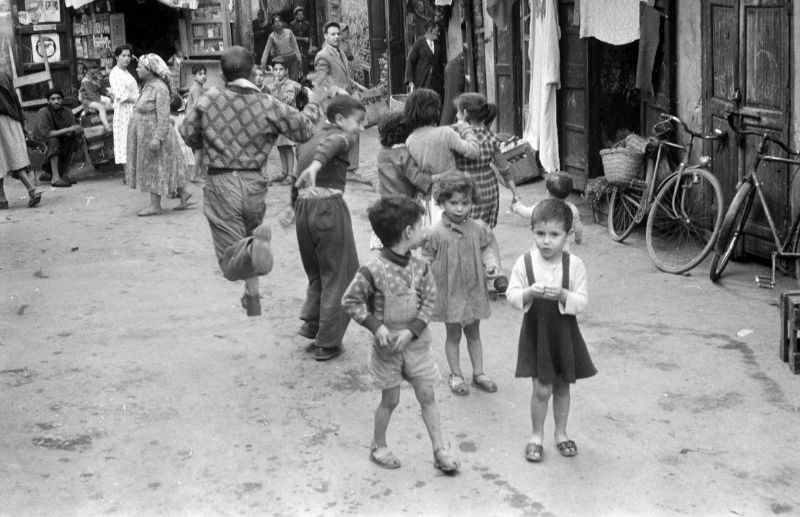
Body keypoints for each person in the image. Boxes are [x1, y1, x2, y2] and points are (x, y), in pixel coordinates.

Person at [179, 45, 326, 317]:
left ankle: (253, 255)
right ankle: (253, 295)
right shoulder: (267, 102)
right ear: (254, 71)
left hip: (222, 182)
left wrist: (207, 142)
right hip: (255, 183)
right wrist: (315, 102)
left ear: (222, 76)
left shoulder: (210, 98)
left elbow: (187, 131)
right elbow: (304, 129)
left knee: (230, 258)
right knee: (249, 238)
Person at [342, 195, 460, 474]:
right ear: (408, 232)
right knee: (390, 400)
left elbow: (430, 300)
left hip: (417, 346)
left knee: (427, 395)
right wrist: (376, 326)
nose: (424, 231)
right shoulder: (372, 270)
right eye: (420, 226)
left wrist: (413, 330)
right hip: (387, 350)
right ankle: (378, 445)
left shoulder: (421, 267)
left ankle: (440, 449)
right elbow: (350, 301)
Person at [506, 198, 597, 462]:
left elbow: (581, 302)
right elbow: (512, 295)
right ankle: (536, 435)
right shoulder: (525, 263)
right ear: (532, 232)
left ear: (567, 236)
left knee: (562, 387)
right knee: (542, 388)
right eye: (540, 234)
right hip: (537, 333)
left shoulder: (575, 265)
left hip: (564, 334)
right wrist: (527, 293)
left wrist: (564, 294)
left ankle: (561, 433)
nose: (546, 241)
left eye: (554, 235)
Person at [293, 95, 366, 361]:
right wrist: (317, 165)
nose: (360, 128)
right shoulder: (341, 137)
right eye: (357, 122)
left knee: (318, 272)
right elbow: (337, 142)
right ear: (339, 119)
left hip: (303, 210)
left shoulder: (311, 136)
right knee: (341, 273)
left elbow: (297, 177)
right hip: (327, 208)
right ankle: (327, 341)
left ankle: (312, 323)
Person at [422, 172, 500, 396]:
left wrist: (491, 264)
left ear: (472, 202)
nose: (459, 208)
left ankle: (479, 373)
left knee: (474, 333)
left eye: (465, 203)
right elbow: (426, 258)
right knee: (453, 334)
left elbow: (486, 249)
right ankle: (456, 374)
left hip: (474, 289)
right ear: (442, 202)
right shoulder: (435, 232)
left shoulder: (478, 229)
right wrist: (422, 281)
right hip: (450, 292)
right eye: (453, 203)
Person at [125, 53, 193, 216]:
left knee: (155, 168)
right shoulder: (147, 86)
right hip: (145, 134)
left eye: (140, 67)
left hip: (155, 135)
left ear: (149, 70)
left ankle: (155, 205)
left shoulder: (159, 88)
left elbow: (163, 116)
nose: (137, 69)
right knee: (162, 166)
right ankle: (184, 194)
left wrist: (157, 138)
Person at [403, 88, 479, 223]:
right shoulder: (445, 133)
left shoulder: (410, 140)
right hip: (452, 194)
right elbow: (473, 151)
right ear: (436, 111)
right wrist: (466, 129)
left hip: (426, 197)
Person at [452, 92, 519, 228]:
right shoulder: (491, 137)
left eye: (458, 112)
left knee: (464, 231)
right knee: (484, 232)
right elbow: (504, 168)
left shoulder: (456, 136)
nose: (457, 115)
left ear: (464, 114)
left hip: (465, 191)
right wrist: (515, 193)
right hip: (489, 192)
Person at [314, 21, 366, 179]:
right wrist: (336, 90)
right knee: (343, 133)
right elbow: (320, 82)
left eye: (338, 34)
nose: (336, 37)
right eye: (332, 34)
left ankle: (351, 169)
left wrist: (355, 87)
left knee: (353, 131)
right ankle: (346, 169)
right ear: (325, 36)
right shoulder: (323, 56)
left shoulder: (341, 52)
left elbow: (346, 75)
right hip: (336, 103)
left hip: (347, 98)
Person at [0, 71, 42, 209]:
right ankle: (3, 198)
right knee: (13, 156)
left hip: (2, 119)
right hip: (13, 118)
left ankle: (29, 190)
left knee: (5, 158)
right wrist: (22, 122)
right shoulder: (4, 74)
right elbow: (15, 99)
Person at [511, 172, 583, 247]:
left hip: (542, 246)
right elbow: (578, 227)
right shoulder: (572, 209)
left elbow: (526, 212)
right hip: (562, 247)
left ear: (547, 192)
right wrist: (578, 239)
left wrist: (517, 206)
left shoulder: (542, 207)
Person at [33, 88, 83, 187]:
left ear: (62, 99)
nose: (56, 101)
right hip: (43, 142)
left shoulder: (67, 111)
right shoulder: (43, 112)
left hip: (61, 139)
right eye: (53, 99)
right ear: (48, 101)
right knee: (53, 141)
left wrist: (75, 131)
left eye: (59, 98)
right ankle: (55, 178)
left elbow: (73, 128)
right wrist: (68, 130)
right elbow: (46, 134)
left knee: (75, 139)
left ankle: (64, 174)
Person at [376, 111, 430, 199]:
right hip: (404, 201)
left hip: (385, 198)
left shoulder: (382, 152)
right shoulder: (405, 154)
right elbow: (417, 178)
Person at [266, 57, 302, 184]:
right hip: (279, 121)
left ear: (286, 71)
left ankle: (291, 173)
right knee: (280, 146)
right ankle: (284, 171)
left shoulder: (290, 85)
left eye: (281, 69)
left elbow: (284, 101)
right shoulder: (274, 86)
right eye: (275, 70)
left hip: (288, 120)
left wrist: (274, 90)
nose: (278, 72)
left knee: (287, 146)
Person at [109, 44, 139, 167]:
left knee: (133, 139)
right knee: (125, 139)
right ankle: (128, 172)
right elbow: (121, 96)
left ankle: (133, 171)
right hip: (124, 111)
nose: (127, 58)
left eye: (128, 56)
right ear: (117, 57)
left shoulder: (126, 72)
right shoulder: (115, 73)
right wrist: (138, 98)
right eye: (123, 56)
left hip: (132, 109)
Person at [404, 22, 446, 98]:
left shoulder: (438, 44)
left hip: (435, 83)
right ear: (430, 30)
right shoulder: (419, 43)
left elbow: (441, 63)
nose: (438, 33)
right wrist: (410, 81)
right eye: (436, 31)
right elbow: (410, 61)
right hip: (422, 81)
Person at [260, 14, 302, 81]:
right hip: (280, 61)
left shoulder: (289, 32)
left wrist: (299, 58)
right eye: (275, 22)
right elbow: (266, 50)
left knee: (294, 80)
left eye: (279, 21)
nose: (278, 23)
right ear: (273, 25)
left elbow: (295, 45)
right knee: (281, 81)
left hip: (292, 59)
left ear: (282, 23)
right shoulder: (272, 36)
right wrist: (263, 63)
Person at [79, 65, 112, 132]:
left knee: (110, 103)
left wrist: (109, 94)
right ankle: (107, 126)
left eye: (95, 72)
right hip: (87, 100)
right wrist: (100, 101)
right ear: (87, 71)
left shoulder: (96, 79)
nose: (94, 74)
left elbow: (102, 89)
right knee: (101, 107)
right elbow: (91, 94)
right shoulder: (85, 81)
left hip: (97, 98)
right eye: (92, 72)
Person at [289, 6, 314, 77]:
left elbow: (310, 36)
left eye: (302, 14)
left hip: (305, 47)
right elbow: (291, 37)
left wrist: (310, 47)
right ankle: (298, 77)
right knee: (297, 63)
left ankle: (305, 78)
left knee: (305, 63)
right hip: (296, 46)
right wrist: (302, 39)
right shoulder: (292, 24)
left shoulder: (307, 24)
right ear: (296, 15)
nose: (301, 16)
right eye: (299, 14)